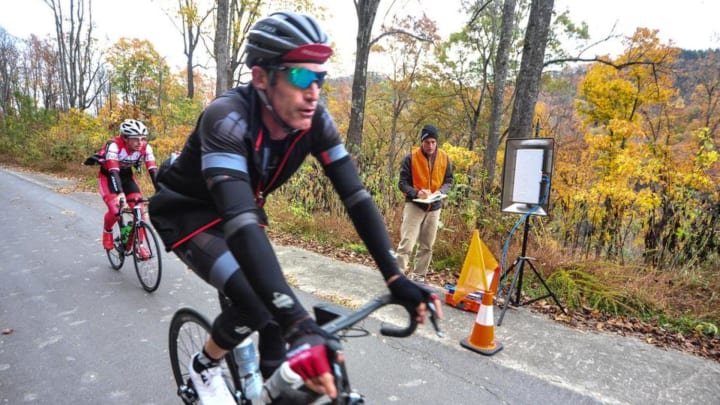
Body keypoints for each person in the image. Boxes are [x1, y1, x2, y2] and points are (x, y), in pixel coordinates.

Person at [148, 10, 442, 405]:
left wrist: (395, 277)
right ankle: (205, 366)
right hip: (192, 216)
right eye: (302, 77)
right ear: (261, 78)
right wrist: (300, 323)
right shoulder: (227, 118)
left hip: (244, 211)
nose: (314, 91)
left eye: (319, 78)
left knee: (280, 326)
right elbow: (239, 224)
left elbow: (355, 198)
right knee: (260, 308)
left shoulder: (314, 119)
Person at [396, 124, 454, 281]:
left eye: (433, 142)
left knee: (427, 245)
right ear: (422, 142)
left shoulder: (444, 157)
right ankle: (398, 276)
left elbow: (449, 180)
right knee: (407, 243)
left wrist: (441, 192)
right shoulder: (411, 158)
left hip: (435, 206)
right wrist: (416, 193)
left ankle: (419, 276)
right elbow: (402, 183)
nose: (430, 145)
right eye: (427, 142)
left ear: (437, 142)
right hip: (414, 205)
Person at [96, 119, 158, 256]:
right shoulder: (114, 146)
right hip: (108, 177)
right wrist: (119, 193)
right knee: (116, 210)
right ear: (124, 138)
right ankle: (107, 230)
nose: (140, 142)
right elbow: (113, 171)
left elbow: (153, 170)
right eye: (135, 139)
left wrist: (161, 190)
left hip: (127, 177)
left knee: (139, 212)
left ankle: (138, 245)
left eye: (142, 138)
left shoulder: (145, 147)